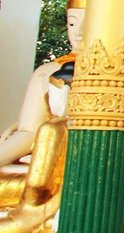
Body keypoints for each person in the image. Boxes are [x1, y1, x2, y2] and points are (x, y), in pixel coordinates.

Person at [0, 63, 124, 233]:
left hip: (42, 207)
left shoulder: (53, 130)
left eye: (53, 94)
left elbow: (38, 186)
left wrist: (26, 168)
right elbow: (27, 132)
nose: (49, 101)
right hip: (80, 201)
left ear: (69, 96)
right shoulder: (101, 133)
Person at [0, 0, 85, 168]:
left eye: (88, 24)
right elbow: (28, 132)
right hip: (45, 151)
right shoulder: (46, 72)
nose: (79, 32)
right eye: (73, 23)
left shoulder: (120, 74)